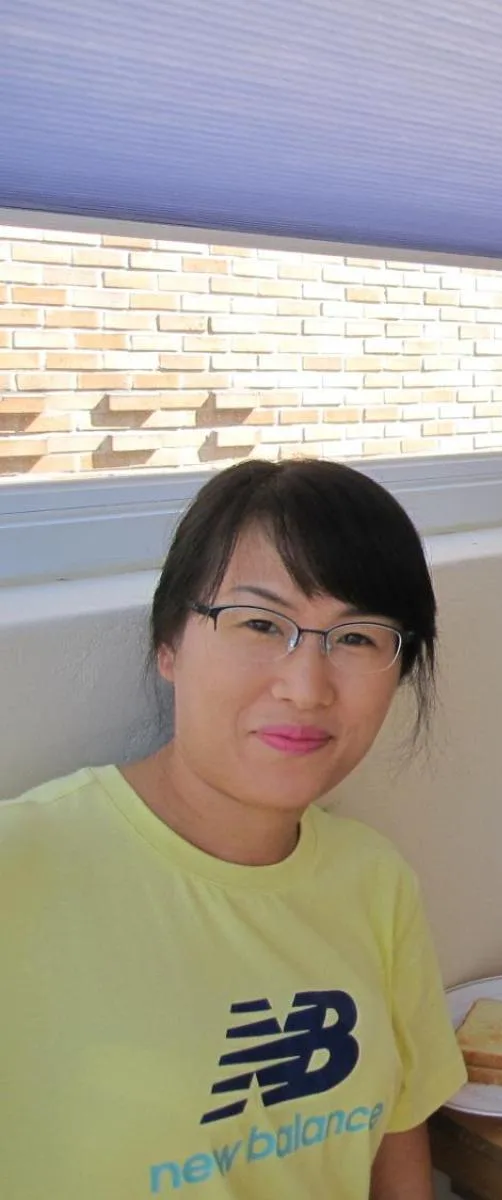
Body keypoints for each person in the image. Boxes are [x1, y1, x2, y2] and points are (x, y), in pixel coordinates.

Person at [0, 459, 467, 1198]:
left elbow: (397, 1138)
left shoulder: (374, 880)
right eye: (258, 623)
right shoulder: (22, 865)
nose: (306, 686)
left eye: (356, 638)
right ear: (168, 645)